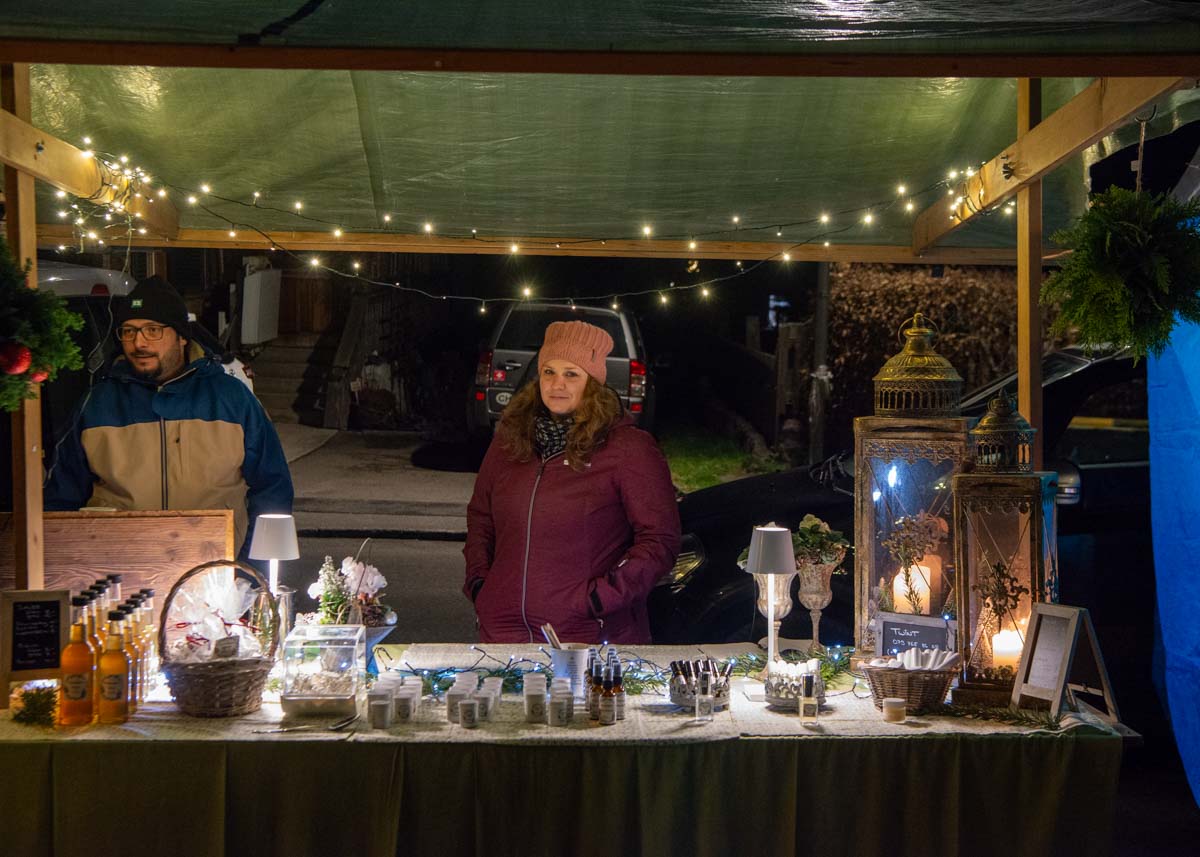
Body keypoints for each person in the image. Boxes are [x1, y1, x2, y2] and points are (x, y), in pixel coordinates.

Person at [463, 320, 680, 644]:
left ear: (592, 382)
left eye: (571, 374)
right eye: (549, 372)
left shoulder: (628, 449)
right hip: (503, 633)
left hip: (587, 637)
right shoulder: (510, 441)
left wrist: (599, 600)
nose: (557, 384)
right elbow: (481, 518)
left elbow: (659, 540)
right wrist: (481, 585)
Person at [44, 275, 293, 557]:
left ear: (182, 337)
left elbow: (272, 486)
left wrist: (250, 566)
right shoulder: (97, 404)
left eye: (153, 330)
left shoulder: (232, 399)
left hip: (216, 567)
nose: (138, 342)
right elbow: (61, 497)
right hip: (118, 568)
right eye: (128, 331)